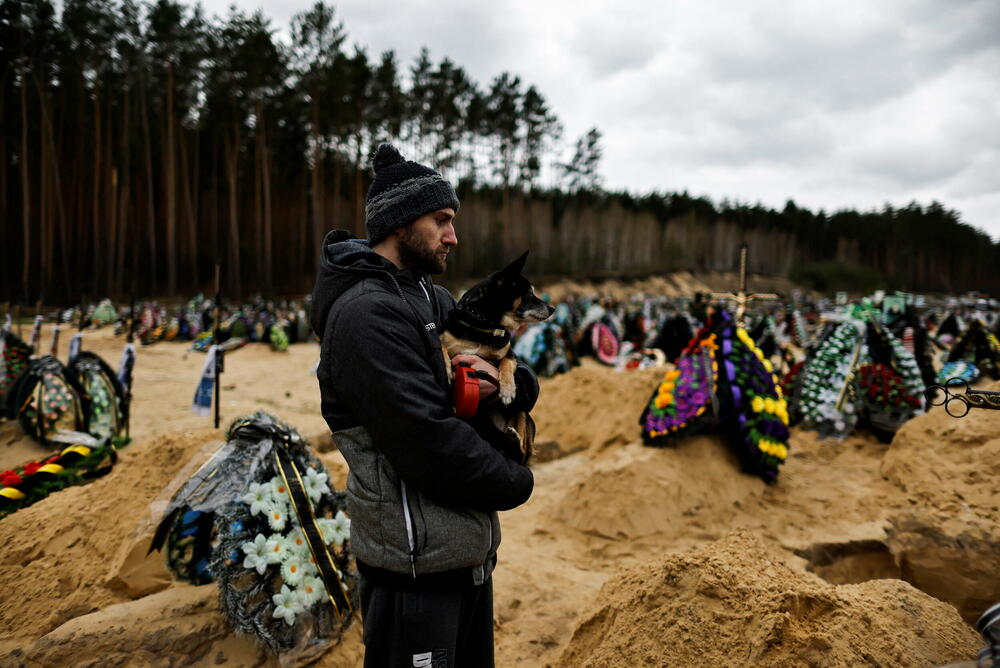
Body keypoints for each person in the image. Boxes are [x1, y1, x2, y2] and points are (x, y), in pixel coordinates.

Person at [311, 143, 537, 667]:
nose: (453, 236)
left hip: (465, 557)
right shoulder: (366, 314)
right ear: (400, 223)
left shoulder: (431, 299)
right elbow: (427, 441)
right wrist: (518, 482)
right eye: (442, 220)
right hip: (414, 571)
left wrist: (513, 388)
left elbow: (511, 368)